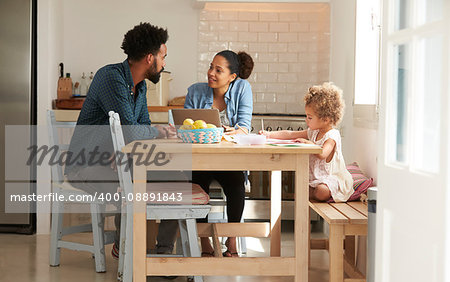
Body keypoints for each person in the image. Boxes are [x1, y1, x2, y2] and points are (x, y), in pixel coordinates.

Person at [65, 22, 177, 259]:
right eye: (163, 57)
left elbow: (141, 128)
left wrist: (127, 150)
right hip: (85, 165)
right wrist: (157, 132)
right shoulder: (111, 77)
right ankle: (125, 247)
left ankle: (163, 253)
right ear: (150, 58)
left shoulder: (140, 87)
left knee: (173, 177)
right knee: (132, 188)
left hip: (114, 161)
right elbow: (132, 132)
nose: (165, 63)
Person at [184, 50, 254, 257]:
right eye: (210, 67)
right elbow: (184, 127)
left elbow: (244, 127)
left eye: (218, 70)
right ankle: (204, 241)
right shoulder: (195, 91)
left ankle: (231, 239)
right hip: (200, 158)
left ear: (232, 77)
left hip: (228, 160)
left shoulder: (242, 88)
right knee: (197, 182)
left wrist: (236, 130)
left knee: (236, 183)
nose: (211, 73)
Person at [260, 82, 354, 202]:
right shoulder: (314, 132)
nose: (306, 120)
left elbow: (323, 153)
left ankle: (314, 193)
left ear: (326, 119)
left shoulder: (332, 135)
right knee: (300, 190)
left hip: (331, 178)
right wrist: (269, 134)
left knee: (321, 191)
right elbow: (291, 134)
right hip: (316, 179)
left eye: (310, 117)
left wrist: (310, 144)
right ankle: (310, 193)